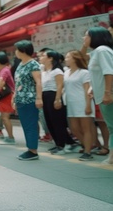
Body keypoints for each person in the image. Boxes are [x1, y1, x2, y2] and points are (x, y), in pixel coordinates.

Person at [83, 27, 113, 165]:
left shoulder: (102, 50)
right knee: (111, 126)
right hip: (101, 94)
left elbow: (109, 72)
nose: (84, 39)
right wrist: (92, 87)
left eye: (86, 36)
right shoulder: (96, 52)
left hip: (108, 95)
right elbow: (97, 73)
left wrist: (108, 93)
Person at [39, 50, 77, 155]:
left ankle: (62, 145)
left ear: (50, 58)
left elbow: (60, 86)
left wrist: (57, 99)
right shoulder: (44, 71)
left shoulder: (57, 71)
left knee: (57, 122)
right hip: (45, 96)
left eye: (43, 56)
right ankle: (60, 143)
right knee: (49, 122)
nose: (40, 57)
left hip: (53, 95)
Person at [12, 40, 43, 161]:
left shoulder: (33, 64)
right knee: (25, 125)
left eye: (17, 49)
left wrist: (39, 98)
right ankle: (30, 148)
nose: (16, 52)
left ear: (23, 51)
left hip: (30, 99)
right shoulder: (21, 64)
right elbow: (18, 83)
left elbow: (38, 82)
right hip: (21, 99)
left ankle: (33, 151)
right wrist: (14, 97)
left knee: (30, 125)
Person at [63, 50, 95, 161]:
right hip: (71, 104)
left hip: (83, 103)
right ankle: (87, 145)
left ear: (75, 58)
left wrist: (88, 106)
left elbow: (87, 90)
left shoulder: (84, 73)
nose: (65, 59)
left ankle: (87, 151)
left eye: (68, 57)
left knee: (86, 129)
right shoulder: (66, 72)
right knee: (74, 129)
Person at [0, 52, 16, 145]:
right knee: (4, 117)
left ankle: (11, 137)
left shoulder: (4, 70)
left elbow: (1, 83)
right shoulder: (2, 69)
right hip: (4, 97)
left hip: (6, 97)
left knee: (5, 118)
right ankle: (10, 137)